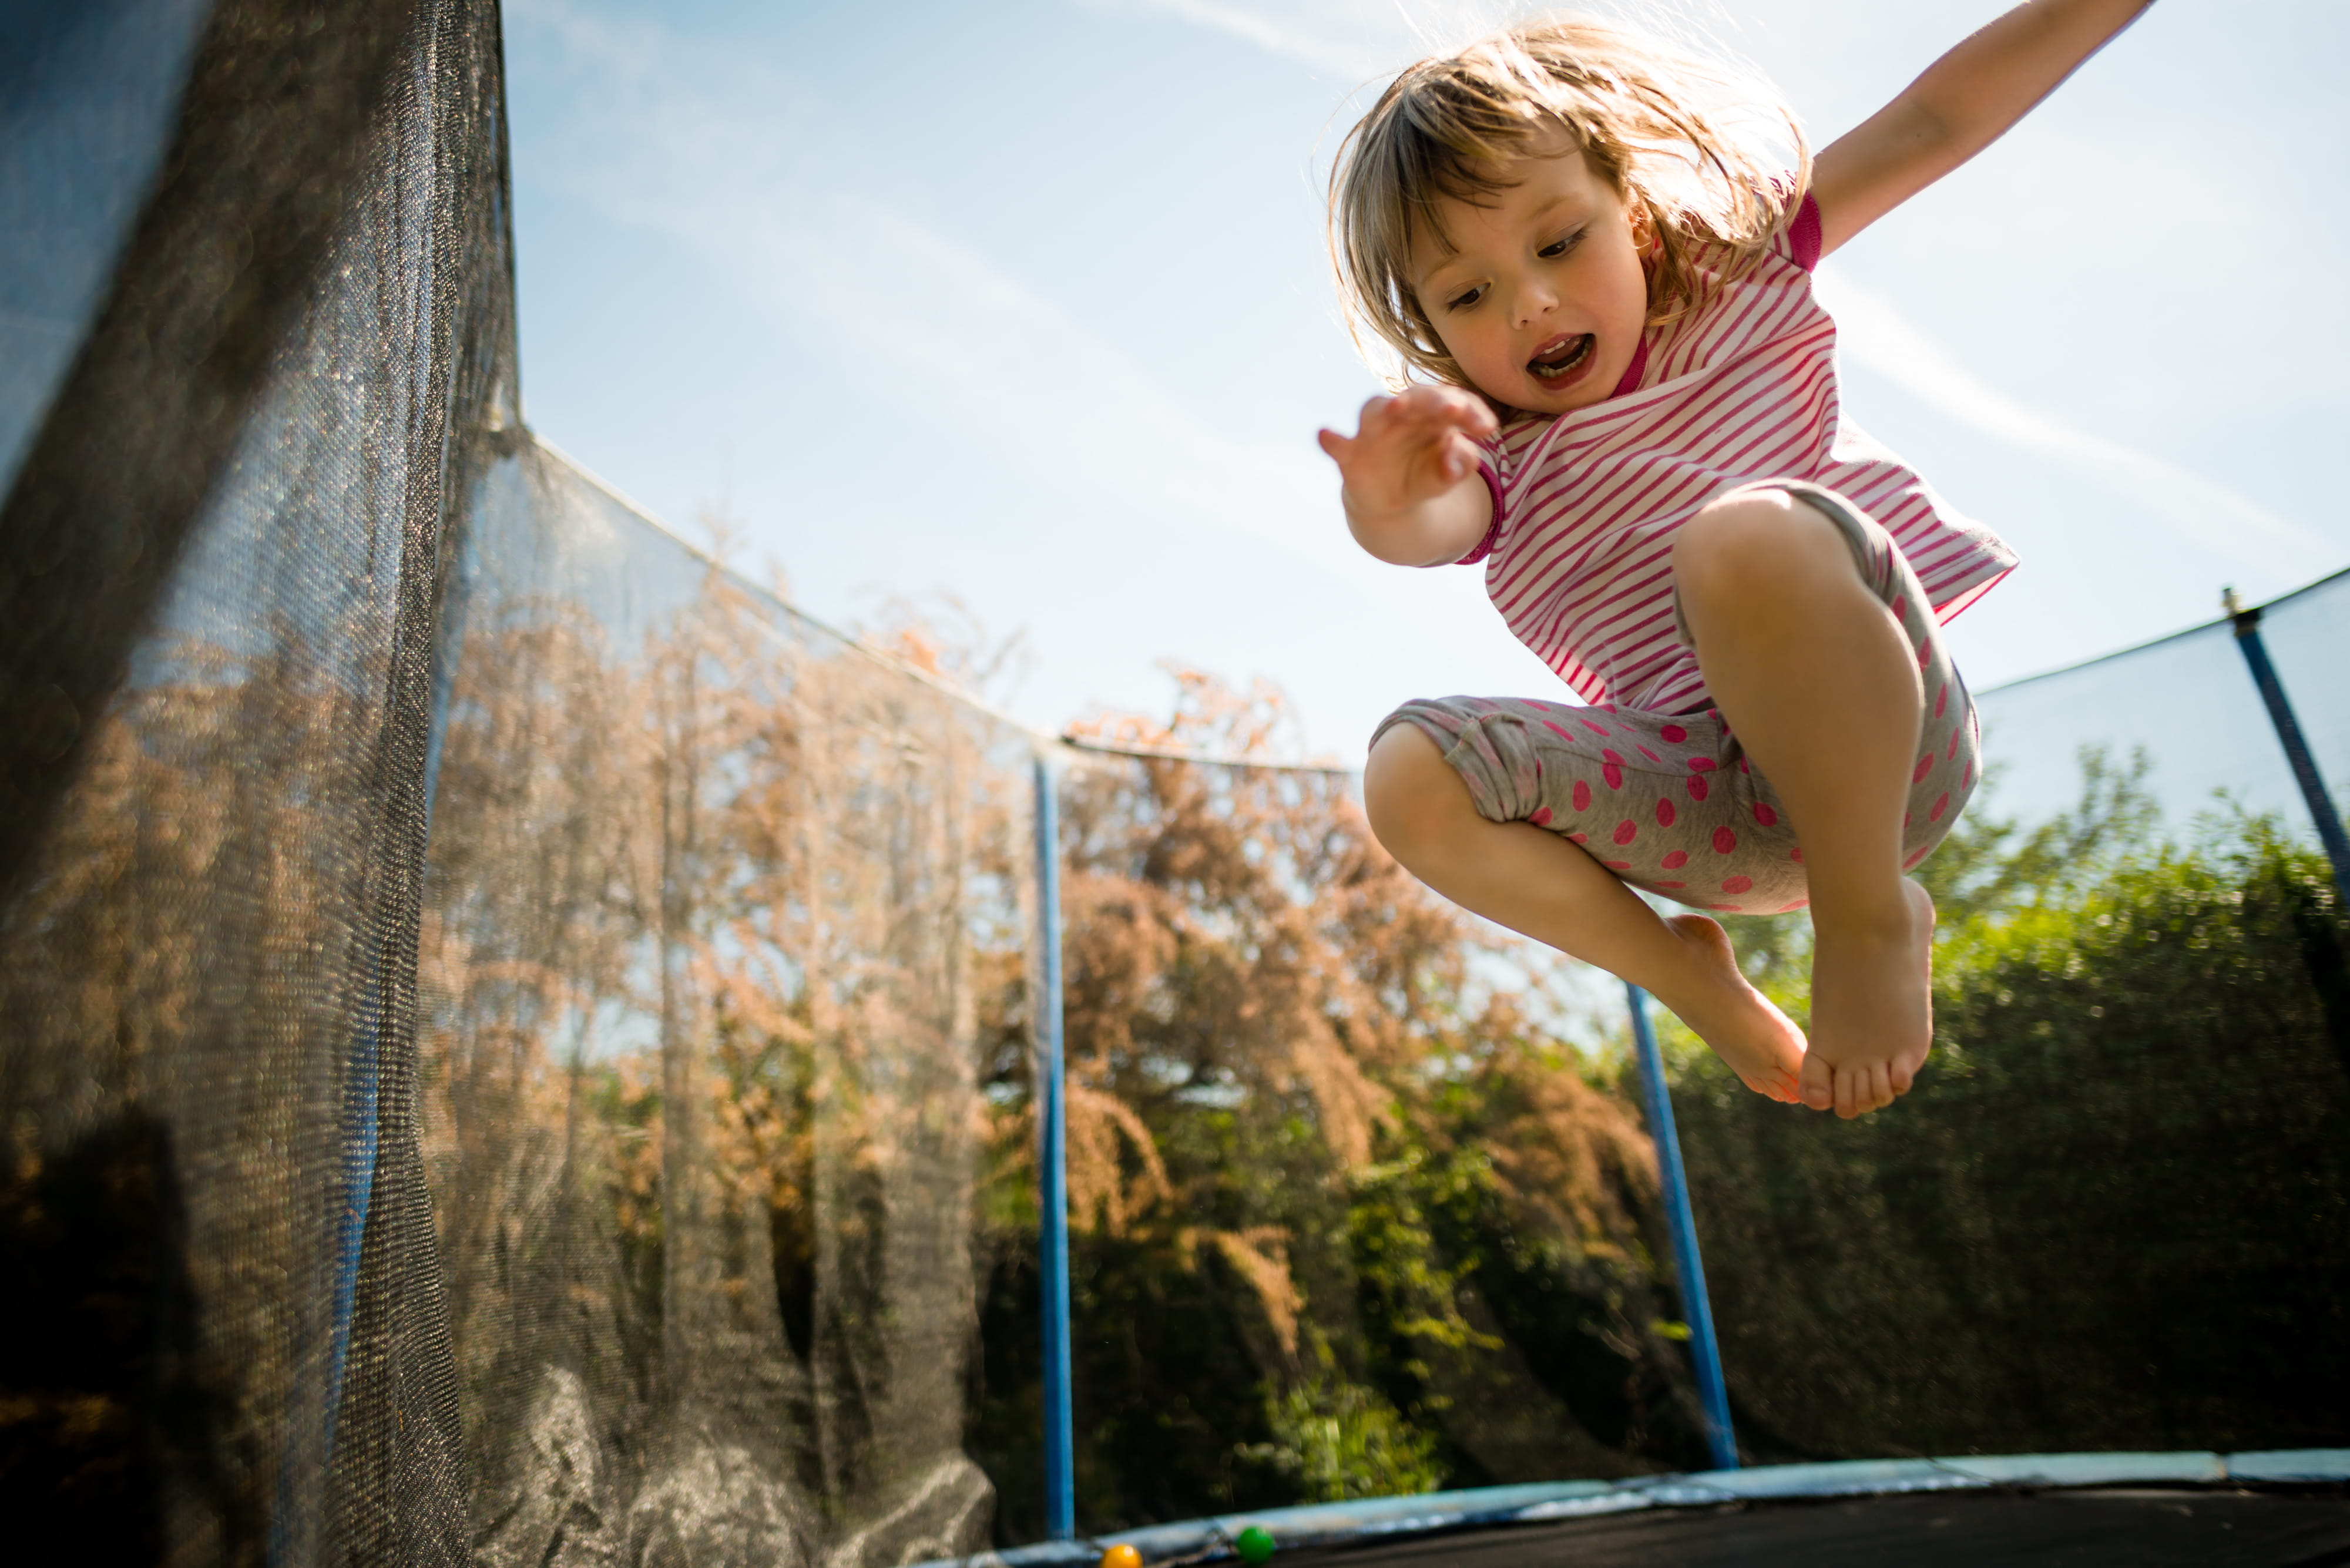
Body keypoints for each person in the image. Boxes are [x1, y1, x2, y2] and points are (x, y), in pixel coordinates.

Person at [1318, 2, 2151, 1118]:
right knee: (1409, 773)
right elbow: (1428, 531)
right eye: (1468, 295)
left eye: (1561, 242)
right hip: (1706, 812)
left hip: (1885, 757)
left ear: (1641, 225)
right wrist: (1384, 503)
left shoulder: (1740, 285)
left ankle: (1870, 916)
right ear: (1432, 327)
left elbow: (1934, 121)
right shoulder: (1493, 454)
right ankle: (1688, 977)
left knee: (1742, 534)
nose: (1532, 302)